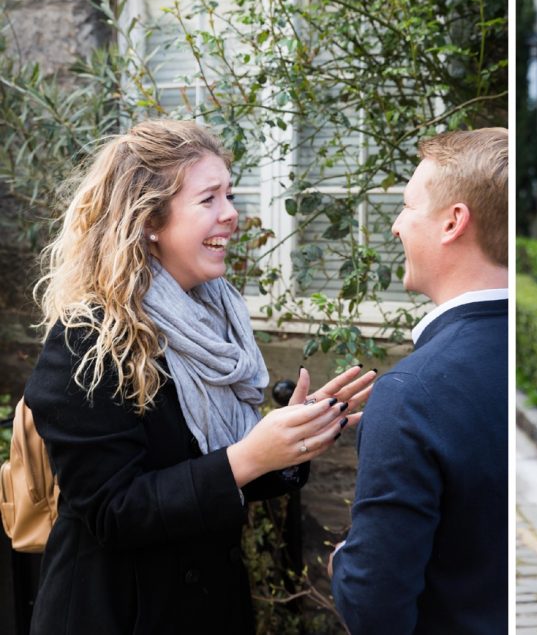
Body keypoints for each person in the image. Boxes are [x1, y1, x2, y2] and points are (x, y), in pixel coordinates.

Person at [24, 119, 375, 635]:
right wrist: (249, 456)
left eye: (229, 195)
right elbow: (113, 510)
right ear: (149, 219)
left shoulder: (215, 318)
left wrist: (292, 441)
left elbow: (212, 471)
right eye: (209, 198)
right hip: (121, 614)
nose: (231, 214)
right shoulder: (89, 339)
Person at [329, 127, 508, 634]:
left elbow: (373, 603)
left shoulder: (411, 393)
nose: (395, 227)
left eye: (408, 206)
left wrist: (342, 561)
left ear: (454, 222)